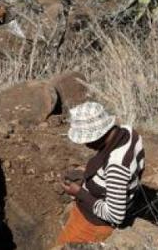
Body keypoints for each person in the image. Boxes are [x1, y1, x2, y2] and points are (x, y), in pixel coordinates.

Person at [57, 102, 146, 245]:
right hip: (96, 211)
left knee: (62, 245)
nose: (85, 145)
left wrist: (80, 193)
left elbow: (115, 216)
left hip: (92, 225)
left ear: (98, 136)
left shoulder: (116, 166)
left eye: (86, 140)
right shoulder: (128, 132)